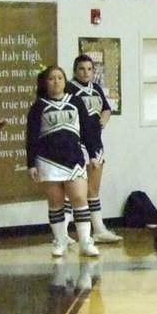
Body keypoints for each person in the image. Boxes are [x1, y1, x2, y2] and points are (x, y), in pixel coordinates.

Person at [25, 66, 100, 259]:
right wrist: (31, 163)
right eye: (51, 78)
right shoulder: (38, 106)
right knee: (55, 202)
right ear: (45, 82)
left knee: (79, 199)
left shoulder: (75, 102)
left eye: (59, 77)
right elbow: (31, 137)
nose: (56, 81)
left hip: (73, 159)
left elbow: (87, 131)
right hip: (48, 161)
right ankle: (60, 240)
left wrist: (93, 154)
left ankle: (85, 241)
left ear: (65, 81)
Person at [67, 54, 120, 244]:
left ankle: (98, 228)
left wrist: (105, 117)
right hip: (78, 144)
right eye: (82, 69)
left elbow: (106, 108)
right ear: (75, 70)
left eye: (89, 69)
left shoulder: (96, 88)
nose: (86, 72)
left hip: (96, 143)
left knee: (94, 189)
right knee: (73, 191)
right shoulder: (70, 88)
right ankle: (64, 232)